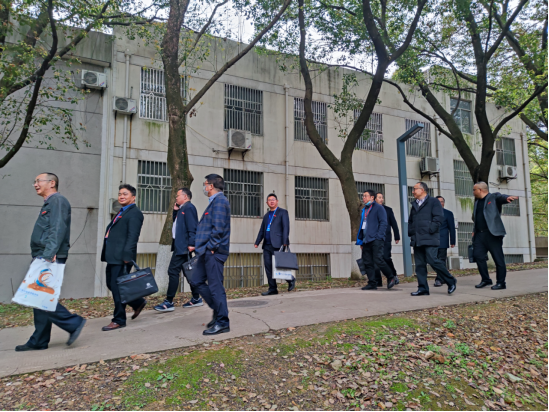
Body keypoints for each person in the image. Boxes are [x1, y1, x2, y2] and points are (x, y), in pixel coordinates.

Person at [16, 173, 86, 352]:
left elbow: (58, 228)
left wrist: (49, 254)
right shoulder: (51, 202)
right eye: (34, 181)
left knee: (39, 295)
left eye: (38, 181)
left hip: (49, 255)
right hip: (45, 254)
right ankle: (39, 340)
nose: (35, 184)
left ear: (51, 183)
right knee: (38, 296)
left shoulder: (58, 201)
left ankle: (73, 322)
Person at [101, 184, 146, 331]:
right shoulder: (122, 211)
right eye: (120, 194)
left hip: (122, 257)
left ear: (133, 197)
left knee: (117, 288)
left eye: (125, 194)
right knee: (111, 284)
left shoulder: (135, 213)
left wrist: (127, 255)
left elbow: (133, 236)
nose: (121, 196)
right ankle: (137, 302)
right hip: (114, 256)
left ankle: (119, 319)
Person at [191, 174, 232, 335]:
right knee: (196, 280)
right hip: (206, 250)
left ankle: (223, 322)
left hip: (213, 251)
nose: (204, 187)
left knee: (216, 287)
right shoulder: (214, 201)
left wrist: (212, 247)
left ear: (211, 186)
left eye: (205, 184)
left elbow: (218, 227)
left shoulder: (220, 201)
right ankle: (218, 309)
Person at [154, 188, 201, 312]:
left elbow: (193, 227)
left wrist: (192, 244)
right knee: (188, 272)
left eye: (178, 195)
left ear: (185, 196)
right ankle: (196, 298)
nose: (176, 197)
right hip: (180, 246)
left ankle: (169, 302)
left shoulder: (189, 208)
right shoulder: (182, 209)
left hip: (183, 247)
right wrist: (175, 211)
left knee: (173, 271)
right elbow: (177, 224)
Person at [409, 182, 457, 296]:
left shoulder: (434, 202)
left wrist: (431, 229)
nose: (413, 191)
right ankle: (423, 288)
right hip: (417, 238)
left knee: (433, 260)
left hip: (430, 237)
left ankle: (450, 280)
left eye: (415, 189)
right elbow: (411, 220)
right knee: (420, 265)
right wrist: (411, 232)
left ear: (422, 190)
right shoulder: (415, 204)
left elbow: (439, 218)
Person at [472, 182, 518, 290]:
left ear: (480, 190)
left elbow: (501, 197)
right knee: (478, 256)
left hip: (493, 234)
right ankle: (486, 280)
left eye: (474, 190)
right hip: (479, 234)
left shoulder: (493, 197)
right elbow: (477, 217)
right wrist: (474, 230)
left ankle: (501, 283)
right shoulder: (477, 202)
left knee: (498, 259)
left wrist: (507, 198)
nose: (473, 192)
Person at [356, 190, 397, 290]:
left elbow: (383, 223)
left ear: (372, 197)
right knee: (367, 262)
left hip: (376, 239)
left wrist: (379, 236)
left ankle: (391, 276)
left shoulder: (379, 208)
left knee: (378, 260)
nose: (363, 198)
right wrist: (361, 240)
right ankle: (372, 283)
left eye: (365, 196)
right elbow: (362, 226)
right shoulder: (364, 209)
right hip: (366, 240)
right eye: (363, 196)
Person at [254, 194, 294, 296]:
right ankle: (272, 289)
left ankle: (290, 279)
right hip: (267, 245)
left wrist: (285, 241)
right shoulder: (266, 215)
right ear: (267, 203)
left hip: (278, 244)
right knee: (268, 267)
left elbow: (286, 227)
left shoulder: (283, 212)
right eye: (269, 200)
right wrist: (257, 242)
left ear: (277, 201)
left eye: (273, 199)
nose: (271, 201)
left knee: (279, 266)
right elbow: (262, 230)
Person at [374, 192, 401, 287]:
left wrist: (397, 236)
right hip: (374, 238)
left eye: (382, 197)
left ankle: (394, 275)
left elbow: (394, 223)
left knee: (386, 257)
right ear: (374, 199)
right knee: (376, 259)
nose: (381, 199)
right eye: (379, 197)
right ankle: (378, 281)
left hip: (386, 238)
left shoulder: (388, 210)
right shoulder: (371, 210)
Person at [433, 196, 456, 287]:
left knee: (441, 260)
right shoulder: (431, 213)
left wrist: (452, 241)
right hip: (432, 240)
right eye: (438, 201)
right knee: (433, 260)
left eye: (442, 201)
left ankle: (439, 279)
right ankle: (445, 276)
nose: (440, 203)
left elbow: (452, 228)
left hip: (443, 240)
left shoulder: (448, 213)